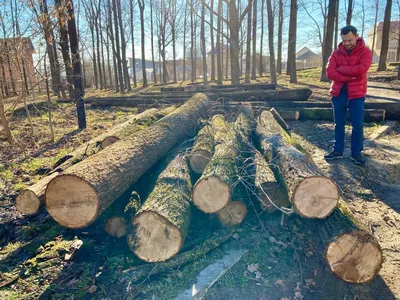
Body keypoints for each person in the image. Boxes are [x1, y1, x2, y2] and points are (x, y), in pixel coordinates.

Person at [324, 25, 372, 165]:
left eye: (350, 40)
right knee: (339, 123)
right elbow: (330, 72)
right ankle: (337, 150)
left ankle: (356, 153)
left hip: (357, 94)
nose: (347, 43)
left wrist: (342, 69)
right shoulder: (336, 54)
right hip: (339, 93)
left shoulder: (365, 52)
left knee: (358, 124)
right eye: (344, 41)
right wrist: (349, 77)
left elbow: (361, 69)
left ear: (356, 37)